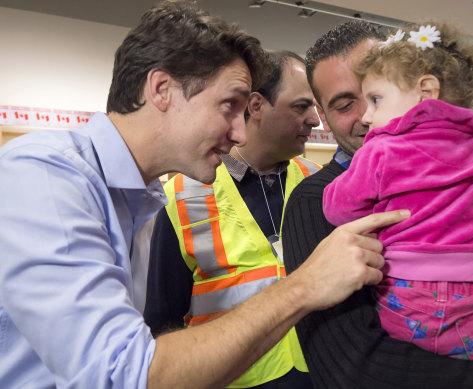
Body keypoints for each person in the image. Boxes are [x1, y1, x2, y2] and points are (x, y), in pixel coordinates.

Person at [0, 2, 406, 388]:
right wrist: (303, 286)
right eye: (229, 105)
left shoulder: (135, 197)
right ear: (161, 89)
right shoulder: (46, 175)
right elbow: (121, 375)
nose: (241, 133)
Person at [282, 20, 473, 389]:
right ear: (323, 116)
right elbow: (352, 371)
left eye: (375, 94)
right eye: (346, 103)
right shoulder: (312, 201)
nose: (369, 117)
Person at [144, 50, 320, 388]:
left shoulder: (318, 183)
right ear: (255, 106)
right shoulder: (181, 197)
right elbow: (162, 324)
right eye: (301, 107)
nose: (315, 120)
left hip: (320, 375)